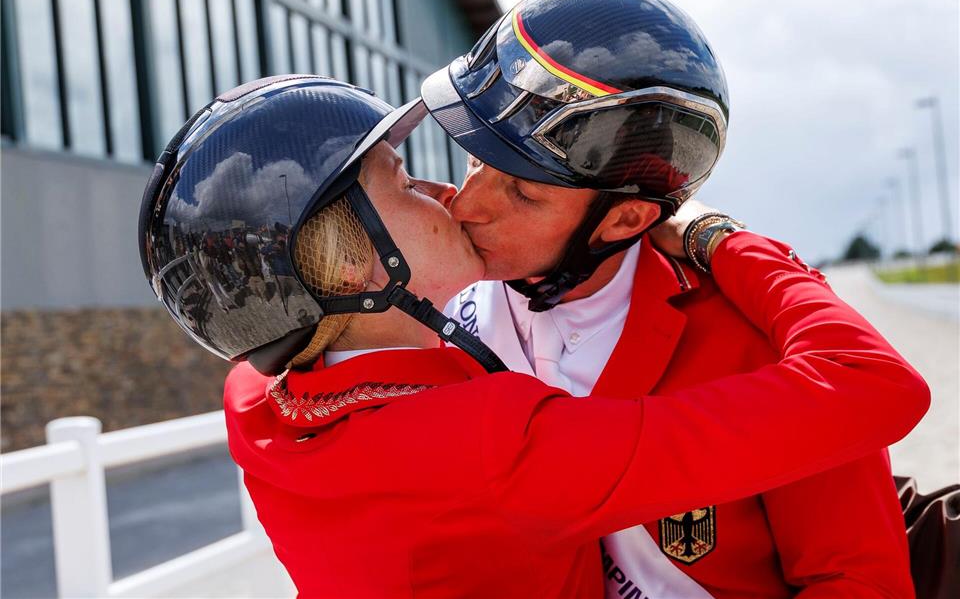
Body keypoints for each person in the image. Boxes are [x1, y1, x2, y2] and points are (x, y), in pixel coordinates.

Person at [138, 75, 928, 598]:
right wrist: (722, 237)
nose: (456, 193)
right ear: (349, 263)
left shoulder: (257, 404)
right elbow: (876, 385)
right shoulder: (495, 442)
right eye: (407, 182)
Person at [420, 0, 919, 597]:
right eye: (474, 161)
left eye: (523, 192)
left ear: (626, 218)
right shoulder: (417, 314)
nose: (467, 209)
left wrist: (720, 240)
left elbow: (856, 578)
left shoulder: (753, 341)